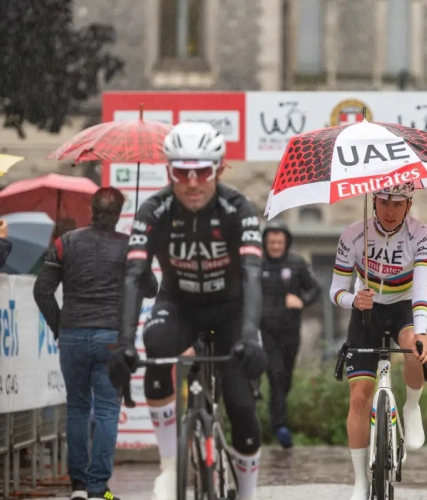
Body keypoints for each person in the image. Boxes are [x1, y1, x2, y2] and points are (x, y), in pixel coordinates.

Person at [107, 121, 267, 500]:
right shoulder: (154, 210)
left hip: (230, 311)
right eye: (182, 172)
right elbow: (133, 275)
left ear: (218, 170)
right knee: (156, 342)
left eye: (201, 172)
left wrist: (249, 335)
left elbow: (253, 273)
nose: (192, 183)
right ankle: (170, 466)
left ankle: (247, 493)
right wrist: (123, 343)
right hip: (178, 305)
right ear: (169, 172)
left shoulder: (238, 208)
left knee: (242, 409)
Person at [33, 188, 158, 500]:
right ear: (119, 213)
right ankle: (97, 487)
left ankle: (77, 486)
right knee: (105, 411)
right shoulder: (131, 247)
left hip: (73, 333)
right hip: (113, 339)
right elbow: (152, 289)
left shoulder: (65, 242)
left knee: (76, 408)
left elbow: (41, 291)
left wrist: (59, 326)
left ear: (91, 209)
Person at [329, 182, 427, 500]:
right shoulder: (353, 234)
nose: (389, 211)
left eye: (397, 204)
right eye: (384, 202)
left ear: (409, 204)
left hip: (403, 307)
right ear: (374, 201)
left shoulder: (422, 234)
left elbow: (422, 287)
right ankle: (360, 481)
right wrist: (352, 300)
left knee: (414, 350)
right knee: (359, 398)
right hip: (367, 312)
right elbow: (335, 290)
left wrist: (422, 330)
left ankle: (412, 406)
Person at [260, 220, 321, 449]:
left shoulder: (297, 263)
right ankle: (281, 427)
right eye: (271, 241)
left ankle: (276, 419)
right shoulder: (257, 263)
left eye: (279, 242)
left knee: (285, 379)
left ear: (286, 242)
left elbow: (315, 288)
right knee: (275, 375)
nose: (275, 246)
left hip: (289, 331)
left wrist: (302, 300)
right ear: (265, 242)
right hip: (264, 331)